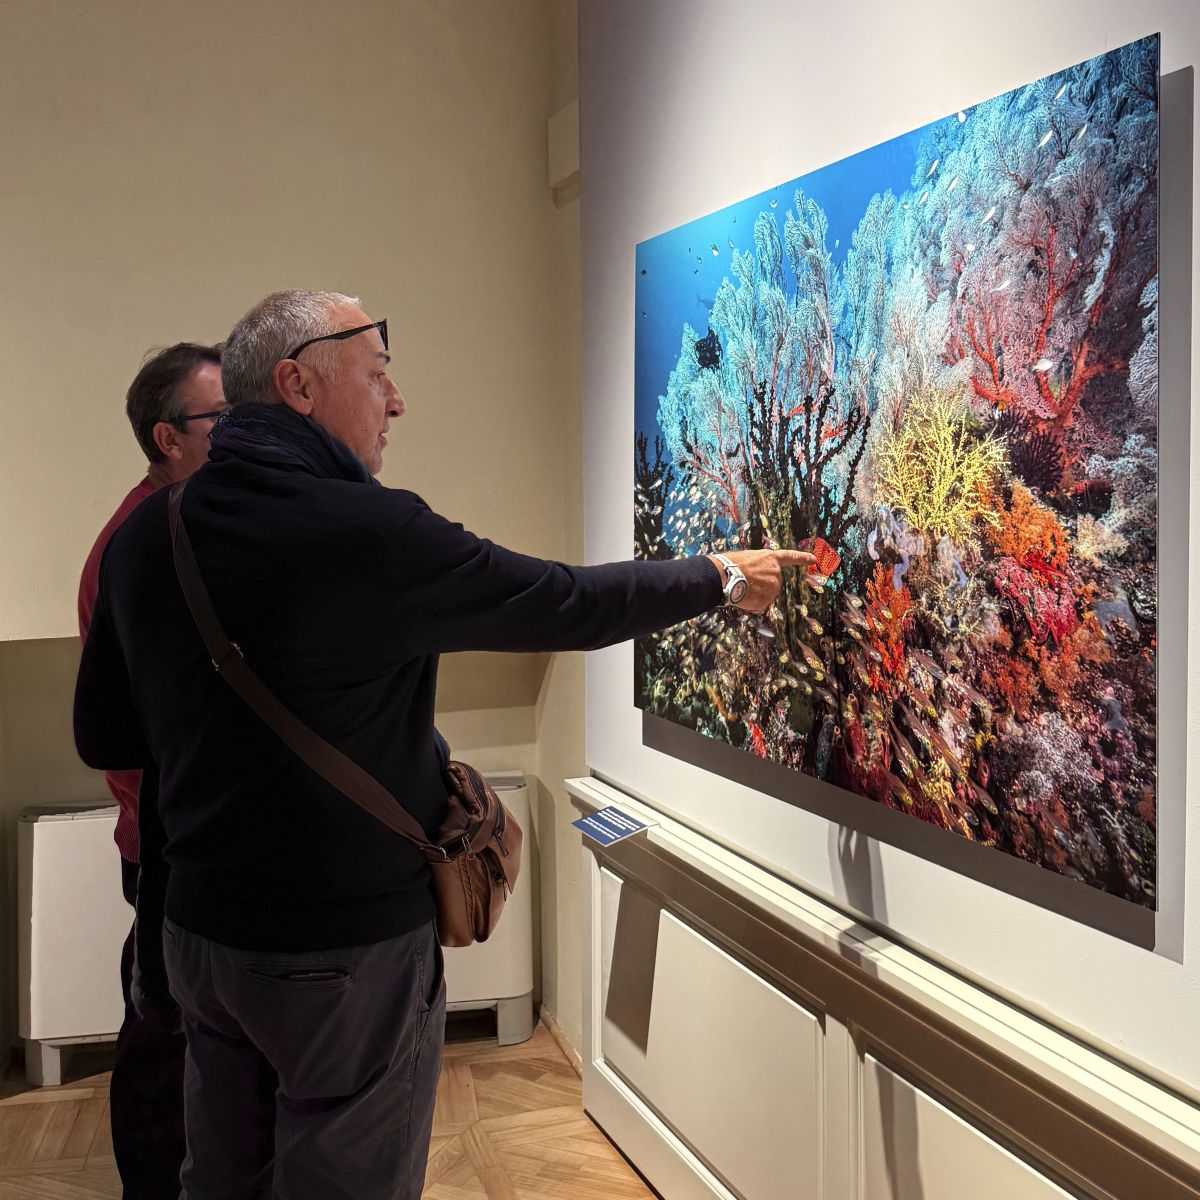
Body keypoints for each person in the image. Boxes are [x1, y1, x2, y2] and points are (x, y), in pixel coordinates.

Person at [73, 291, 812, 1200]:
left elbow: (101, 733)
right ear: (299, 385)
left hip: (201, 940)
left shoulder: (150, 531)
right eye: (378, 374)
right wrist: (720, 575)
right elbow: (562, 602)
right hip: (344, 952)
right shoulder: (369, 531)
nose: (397, 400)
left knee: (220, 1176)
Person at [76, 342, 225, 1199]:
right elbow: (122, 729)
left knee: (176, 1023)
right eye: (220, 420)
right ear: (169, 439)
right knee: (163, 1033)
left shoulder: (177, 527)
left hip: (182, 834)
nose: (239, 434)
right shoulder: (136, 545)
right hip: (170, 839)